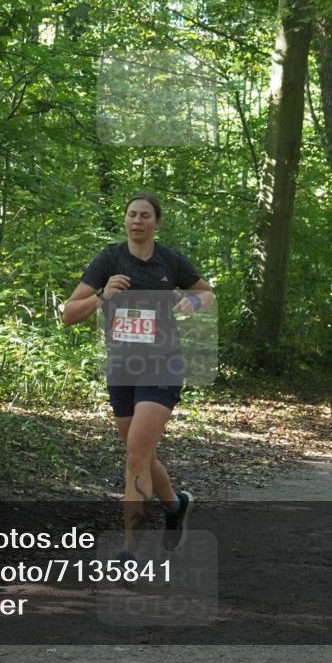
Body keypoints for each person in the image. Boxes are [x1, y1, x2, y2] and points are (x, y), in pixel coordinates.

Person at [62, 193, 213, 556]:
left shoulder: (170, 260)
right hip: (122, 368)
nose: (137, 221)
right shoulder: (108, 260)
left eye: (145, 216)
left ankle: (131, 548)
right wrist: (102, 297)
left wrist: (192, 301)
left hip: (163, 365)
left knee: (135, 456)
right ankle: (175, 506)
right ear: (125, 221)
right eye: (132, 215)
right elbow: (68, 313)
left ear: (156, 223)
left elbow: (206, 292)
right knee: (140, 452)